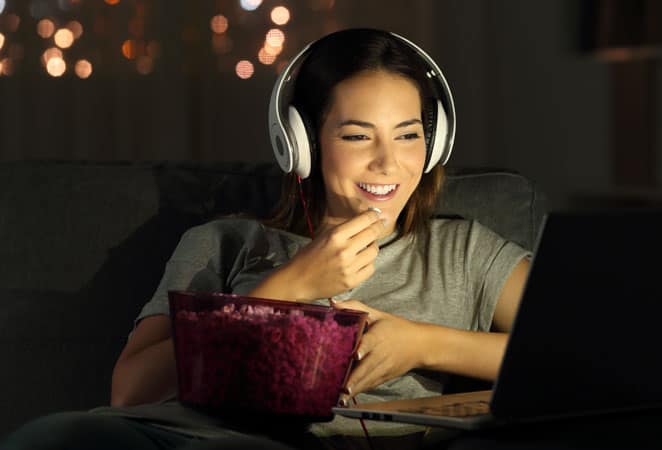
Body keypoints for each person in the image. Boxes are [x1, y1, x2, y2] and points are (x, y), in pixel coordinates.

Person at [0, 28, 530, 450]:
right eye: (356, 135)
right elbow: (132, 392)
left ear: (434, 144)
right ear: (302, 144)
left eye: (409, 134)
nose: (388, 161)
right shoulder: (222, 243)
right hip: (175, 433)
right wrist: (287, 287)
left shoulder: (465, 254)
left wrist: (423, 342)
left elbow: (580, 356)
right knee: (54, 435)